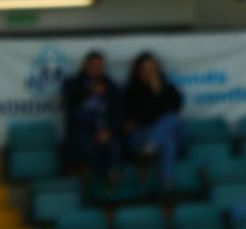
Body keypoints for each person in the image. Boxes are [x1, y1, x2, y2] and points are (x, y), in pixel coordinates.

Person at [122, 52, 183, 190]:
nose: (150, 73)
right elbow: (140, 116)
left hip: (158, 134)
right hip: (141, 134)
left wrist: (158, 91)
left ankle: (149, 150)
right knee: (167, 140)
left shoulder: (167, 88)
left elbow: (175, 108)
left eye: (152, 70)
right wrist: (151, 95)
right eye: (145, 70)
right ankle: (167, 182)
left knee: (171, 122)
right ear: (138, 71)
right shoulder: (131, 90)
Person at [60, 51, 122, 183]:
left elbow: (118, 112)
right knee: (86, 143)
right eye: (94, 65)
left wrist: (108, 130)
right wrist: (89, 92)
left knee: (114, 145)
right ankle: (107, 173)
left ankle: (113, 172)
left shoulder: (111, 86)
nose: (97, 69)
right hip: (82, 129)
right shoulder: (72, 84)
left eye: (100, 66)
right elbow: (70, 110)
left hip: (104, 128)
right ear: (86, 66)